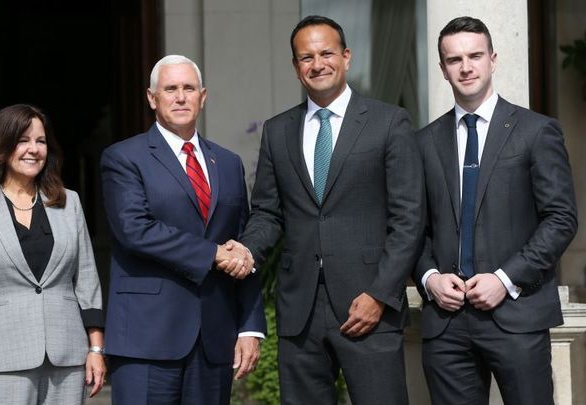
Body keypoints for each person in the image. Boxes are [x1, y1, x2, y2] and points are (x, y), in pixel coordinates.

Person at [231, 15, 424, 405]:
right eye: (306, 57)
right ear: (295, 67)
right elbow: (268, 212)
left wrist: (381, 293)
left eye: (326, 53)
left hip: (368, 304)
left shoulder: (389, 122)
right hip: (300, 309)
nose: (317, 64)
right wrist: (248, 250)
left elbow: (409, 218)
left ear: (347, 57)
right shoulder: (278, 130)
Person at [413, 16, 578, 405]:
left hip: (517, 315)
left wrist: (505, 279)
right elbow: (411, 227)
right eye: (455, 60)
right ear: (442, 69)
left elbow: (561, 219)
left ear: (493, 59)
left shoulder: (536, 131)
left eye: (474, 56)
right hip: (446, 323)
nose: (466, 67)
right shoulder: (422, 142)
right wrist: (430, 277)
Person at [101, 54, 266, 405]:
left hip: (213, 341)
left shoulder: (228, 164)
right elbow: (135, 230)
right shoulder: (124, 158)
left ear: (203, 97)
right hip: (147, 340)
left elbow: (243, 246)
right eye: (170, 89)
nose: (180, 97)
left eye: (188, 88)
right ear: (152, 98)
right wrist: (213, 253)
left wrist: (250, 326)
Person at [0, 104, 106, 405]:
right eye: (23, 140)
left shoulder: (68, 202)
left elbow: (87, 280)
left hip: (67, 359)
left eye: (41, 141)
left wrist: (96, 350)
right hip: (0, 360)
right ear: (2, 145)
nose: (33, 149)